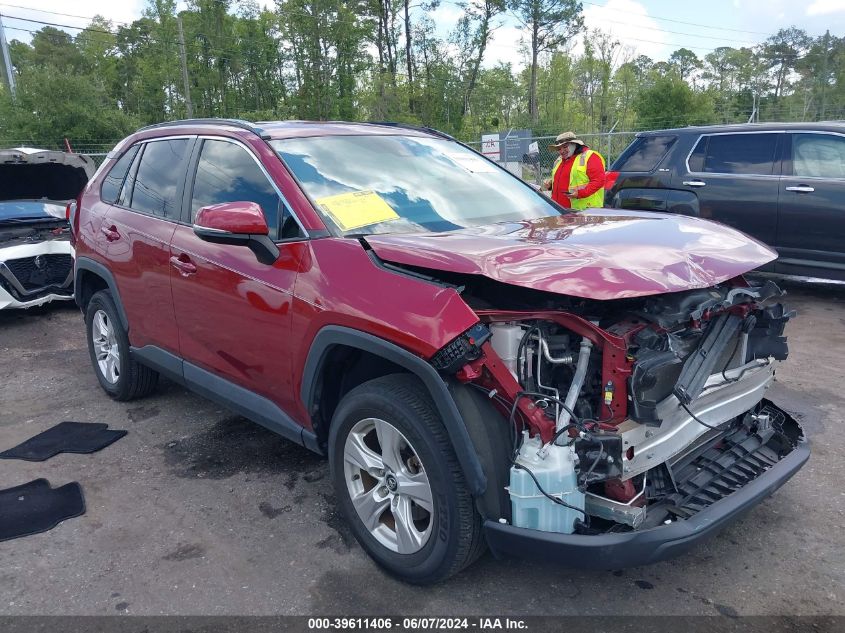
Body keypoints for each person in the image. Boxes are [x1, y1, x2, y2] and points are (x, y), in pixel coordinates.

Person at [543, 131, 606, 210]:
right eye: (559, 148)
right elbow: (565, 180)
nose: (562, 151)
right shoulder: (558, 161)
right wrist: (551, 185)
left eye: (565, 147)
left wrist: (580, 194)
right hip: (559, 211)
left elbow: (599, 181)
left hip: (584, 212)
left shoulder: (590, 156)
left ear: (574, 144)